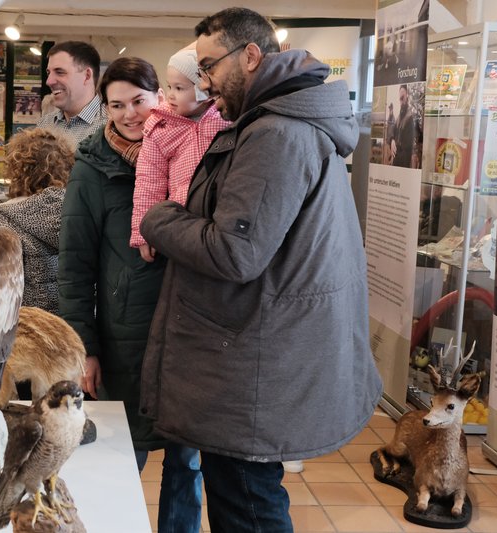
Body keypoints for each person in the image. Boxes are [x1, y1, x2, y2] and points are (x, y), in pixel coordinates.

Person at [138, 9, 383, 532]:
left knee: (247, 504)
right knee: (244, 496)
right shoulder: (275, 124)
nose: (204, 84)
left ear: (250, 56)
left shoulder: (276, 134)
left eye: (209, 67)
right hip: (254, 354)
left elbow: (235, 252)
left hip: (254, 363)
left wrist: (160, 219)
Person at [58, 57, 203, 533]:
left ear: (159, 97)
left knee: (187, 463)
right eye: (116, 105)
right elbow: (75, 267)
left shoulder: (193, 150)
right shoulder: (92, 168)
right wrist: (86, 348)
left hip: (189, 330)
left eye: (138, 101)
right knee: (121, 457)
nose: (129, 115)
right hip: (126, 338)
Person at [130, 45, 230, 262]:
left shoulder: (226, 118)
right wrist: (142, 231)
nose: (171, 95)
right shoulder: (159, 125)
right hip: (180, 222)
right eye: (169, 86)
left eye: (180, 88)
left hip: (221, 216)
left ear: (204, 88)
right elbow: (149, 182)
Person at [0, 128, 75, 314]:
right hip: (73, 323)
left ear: (16, 171)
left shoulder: (6, 222)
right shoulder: (78, 214)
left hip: (30, 325)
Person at [36, 41, 107, 147]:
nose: (49, 81)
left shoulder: (110, 126)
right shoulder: (45, 124)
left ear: (87, 76)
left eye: (60, 72)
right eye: (48, 73)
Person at [391, 84, 415, 168]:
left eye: (403, 97)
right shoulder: (400, 116)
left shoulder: (410, 117)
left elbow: (408, 146)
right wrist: (392, 140)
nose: (401, 100)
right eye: (400, 98)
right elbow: (393, 131)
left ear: (407, 96)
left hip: (403, 161)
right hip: (397, 158)